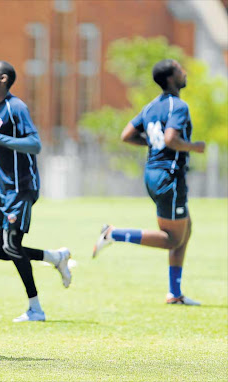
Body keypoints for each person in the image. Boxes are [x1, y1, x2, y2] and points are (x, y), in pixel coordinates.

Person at [92, 59, 205, 306]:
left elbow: (127, 135)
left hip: (153, 173)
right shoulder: (179, 106)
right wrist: (195, 147)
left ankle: (175, 294)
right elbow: (171, 139)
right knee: (173, 239)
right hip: (169, 176)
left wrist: (153, 144)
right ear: (171, 78)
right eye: (179, 69)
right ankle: (114, 234)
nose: (184, 72)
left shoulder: (151, 107)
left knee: (186, 229)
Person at [0, 60, 72, 323]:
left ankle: (36, 309)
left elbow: (34, 144)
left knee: (12, 245)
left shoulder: (16, 107)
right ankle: (55, 257)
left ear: (4, 78)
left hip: (21, 188)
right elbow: (0, 148)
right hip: (0, 189)